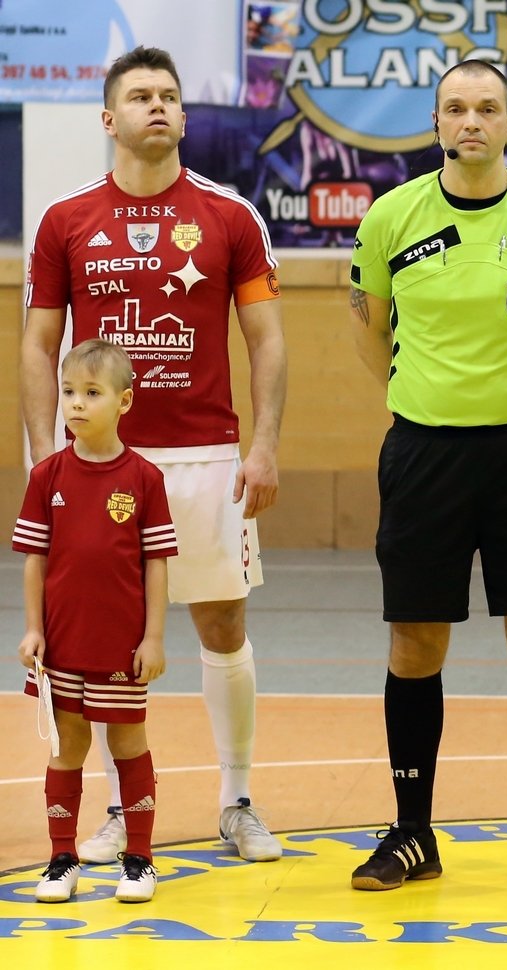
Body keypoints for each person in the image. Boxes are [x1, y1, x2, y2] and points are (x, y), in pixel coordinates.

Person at [20, 46, 287, 865]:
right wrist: (44, 456)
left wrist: (263, 445)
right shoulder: (65, 220)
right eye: (140, 96)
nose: (159, 106)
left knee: (223, 623)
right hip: (100, 469)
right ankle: (117, 809)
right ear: (110, 118)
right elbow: (38, 344)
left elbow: (266, 338)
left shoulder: (230, 215)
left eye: (170, 95)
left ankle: (237, 801)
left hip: (206, 460)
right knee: (101, 646)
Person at [346, 59, 507, 894]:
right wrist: (422, 397)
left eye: (487, 108)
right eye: (455, 108)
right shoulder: (391, 218)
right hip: (424, 454)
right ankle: (411, 832)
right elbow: (371, 330)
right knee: (416, 642)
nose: (470, 121)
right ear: (435, 121)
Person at [15, 340, 178, 904]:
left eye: (91, 392)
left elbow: (156, 564)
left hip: (121, 647)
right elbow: (35, 559)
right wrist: (33, 628)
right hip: (63, 644)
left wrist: (153, 636)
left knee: (129, 743)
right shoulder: (47, 476)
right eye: (68, 392)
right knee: (67, 746)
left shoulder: (145, 479)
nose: (76, 404)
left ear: (124, 401)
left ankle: (141, 860)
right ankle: (62, 859)